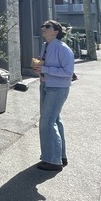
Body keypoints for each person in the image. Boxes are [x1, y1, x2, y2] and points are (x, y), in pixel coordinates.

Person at [31, 20, 75, 171]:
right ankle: (60, 156)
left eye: (47, 26)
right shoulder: (45, 45)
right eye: (42, 26)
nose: (43, 28)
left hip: (57, 88)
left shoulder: (63, 48)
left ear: (56, 31)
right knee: (54, 120)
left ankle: (53, 161)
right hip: (45, 85)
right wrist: (38, 66)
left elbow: (68, 72)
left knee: (47, 121)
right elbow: (44, 63)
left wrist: (46, 69)